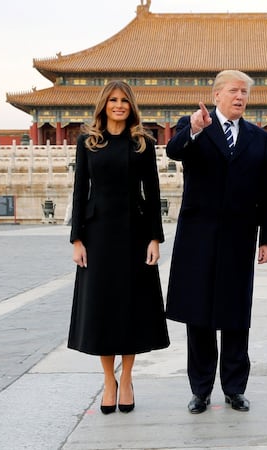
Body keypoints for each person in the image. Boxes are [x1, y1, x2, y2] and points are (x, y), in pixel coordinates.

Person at [165, 69, 267, 414]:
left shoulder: (258, 138)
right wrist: (196, 131)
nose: (240, 97)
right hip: (198, 237)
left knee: (234, 315)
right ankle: (200, 390)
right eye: (233, 91)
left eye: (244, 92)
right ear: (216, 96)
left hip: (239, 238)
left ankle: (234, 388)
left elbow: (266, 191)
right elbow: (174, 151)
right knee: (198, 315)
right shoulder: (195, 124)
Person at [68, 80, 170, 415]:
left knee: (130, 307)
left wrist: (155, 237)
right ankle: (107, 380)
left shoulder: (142, 142)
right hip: (97, 235)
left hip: (134, 234)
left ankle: (126, 378)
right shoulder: (88, 142)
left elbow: (152, 193)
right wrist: (77, 239)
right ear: (103, 104)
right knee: (102, 308)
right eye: (112, 100)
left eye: (124, 100)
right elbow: (80, 189)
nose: (118, 105)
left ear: (131, 106)